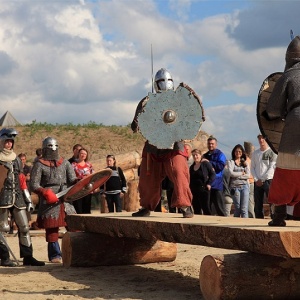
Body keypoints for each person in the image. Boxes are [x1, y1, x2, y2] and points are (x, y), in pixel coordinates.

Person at [131, 68, 194, 218]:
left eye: (167, 80)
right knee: (147, 179)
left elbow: (190, 120)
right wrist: (140, 120)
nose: (165, 84)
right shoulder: (147, 102)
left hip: (175, 145)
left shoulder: (179, 101)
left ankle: (185, 205)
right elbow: (135, 125)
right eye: (161, 81)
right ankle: (146, 206)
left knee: (179, 173)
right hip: (153, 146)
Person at [263, 35, 300, 226]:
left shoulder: (288, 75)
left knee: (287, 168)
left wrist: (271, 115)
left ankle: (279, 215)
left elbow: (272, 109)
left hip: (295, 121)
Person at [0, 128, 45, 266]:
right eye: (7, 142)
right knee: (3, 228)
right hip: (2, 196)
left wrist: (28, 198)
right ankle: (4, 257)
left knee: (24, 227)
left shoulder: (17, 160)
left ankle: (28, 257)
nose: (9, 144)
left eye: (11, 142)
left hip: (18, 196)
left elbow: (21, 180)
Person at [30, 137, 78, 263]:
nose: (53, 149)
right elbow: (34, 184)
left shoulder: (65, 163)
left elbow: (72, 179)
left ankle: (77, 252)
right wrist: (45, 192)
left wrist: (79, 182)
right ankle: (55, 255)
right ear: (45, 148)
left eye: (55, 146)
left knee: (74, 225)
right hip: (49, 199)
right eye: (50, 146)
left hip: (65, 197)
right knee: (52, 228)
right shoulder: (39, 164)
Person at [250, 134, 277, 219]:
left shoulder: (272, 152)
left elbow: (272, 167)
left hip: (268, 180)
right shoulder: (255, 153)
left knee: (271, 201)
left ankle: (274, 218)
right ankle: (259, 219)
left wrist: (262, 179)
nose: (261, 140)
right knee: (258, 203)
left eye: (263, 138)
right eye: (259, 139)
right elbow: (252, 167)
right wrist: (256, 179)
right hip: (257, 181)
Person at [202, 136, 226, 216]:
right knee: (207, 207)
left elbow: (221, 166)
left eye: (212, 144)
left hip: (217, 184)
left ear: (216, 145)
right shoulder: (205, 155)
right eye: (209, 144)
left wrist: (209, 163)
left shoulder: (220, 154)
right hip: (207, 185)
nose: (210, 145)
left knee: (219, 207)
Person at [189, 149, 215, 215]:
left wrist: (209, 183)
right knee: (196, 209)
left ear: (200, 155)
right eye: (194, 155)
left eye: (197, 155)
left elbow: (212, 174)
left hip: (204, 190)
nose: (195, 157)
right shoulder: (192, 167)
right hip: (194, 190)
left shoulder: (205, 164)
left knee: (206, 208)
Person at [227, 144, 250, 218]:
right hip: (235, 187)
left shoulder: (245, 163)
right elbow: (231, 173)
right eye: (236, 151)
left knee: (244, 209)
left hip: (245, 187)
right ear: (234, 152)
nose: (238, 153)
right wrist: (241, 174)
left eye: (240, 151)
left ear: (242, 152)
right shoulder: (231, 162)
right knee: (237, 208)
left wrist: (237, 176)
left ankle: (245, 225)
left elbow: (248, 175)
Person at [71, 147, 94, 214]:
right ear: (78, 154)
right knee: (78, 209)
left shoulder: (89, 165)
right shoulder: (73, 165)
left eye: (85, 154)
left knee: (87, 209)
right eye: (81, 153)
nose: (83, 155)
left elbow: (93, 175)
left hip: (87, 189)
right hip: (77, 189)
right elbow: (71, 177)